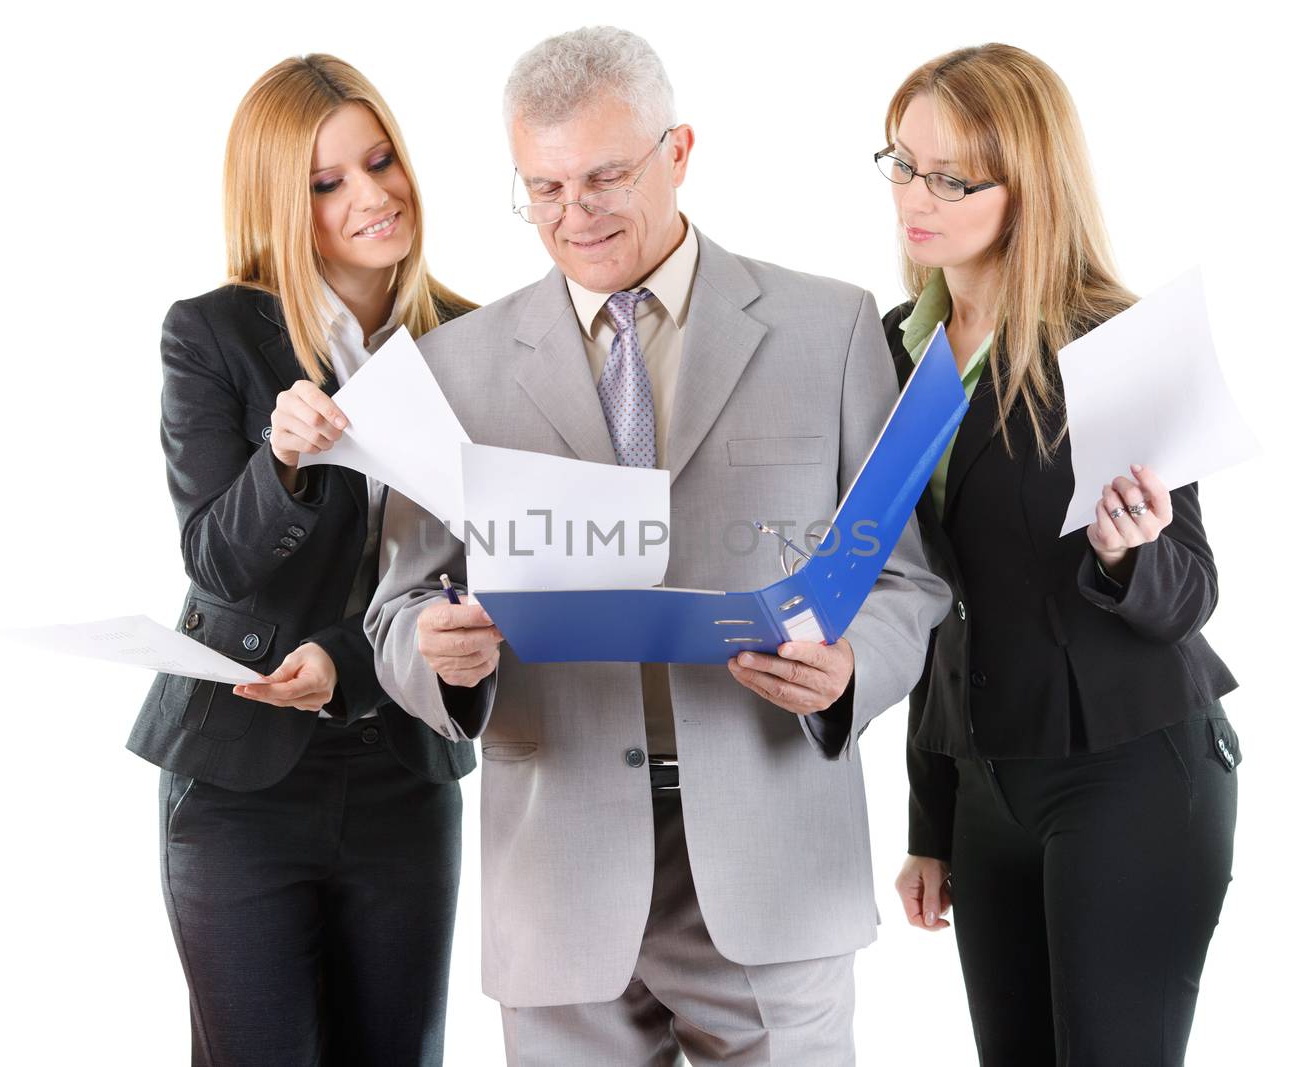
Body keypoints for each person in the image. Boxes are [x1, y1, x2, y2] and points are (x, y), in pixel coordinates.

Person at [365, 26, 949, 1065]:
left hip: (771, 853)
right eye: (542, 189)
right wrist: (434, 656)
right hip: (557, 875)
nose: (573, 215)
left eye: (602, 177)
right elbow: (400, 604)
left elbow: (906, 577)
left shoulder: (833, 327)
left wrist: (854, 665)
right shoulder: (453, 369)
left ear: (678, 153)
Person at [878, 44, 1242, 1065]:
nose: (917, 195)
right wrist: (931, 818)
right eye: (903, 163)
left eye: (952, 176)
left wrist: (1131, 554)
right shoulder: (894, 346)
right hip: (989, 776)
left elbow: (1191, 590)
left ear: (1025, 185)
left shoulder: (1104, 342)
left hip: (1130, 766)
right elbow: (929, 599)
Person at [126, 54, 475, 1067]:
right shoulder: (215, 333)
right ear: (282, 200)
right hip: (239, 778)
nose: (372, 196)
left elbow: (493, 565)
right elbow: (216, 563)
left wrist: (348, 663)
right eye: (327, 183)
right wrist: (280, 458)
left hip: (405, 761)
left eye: (380, 162)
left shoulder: (474, 337)